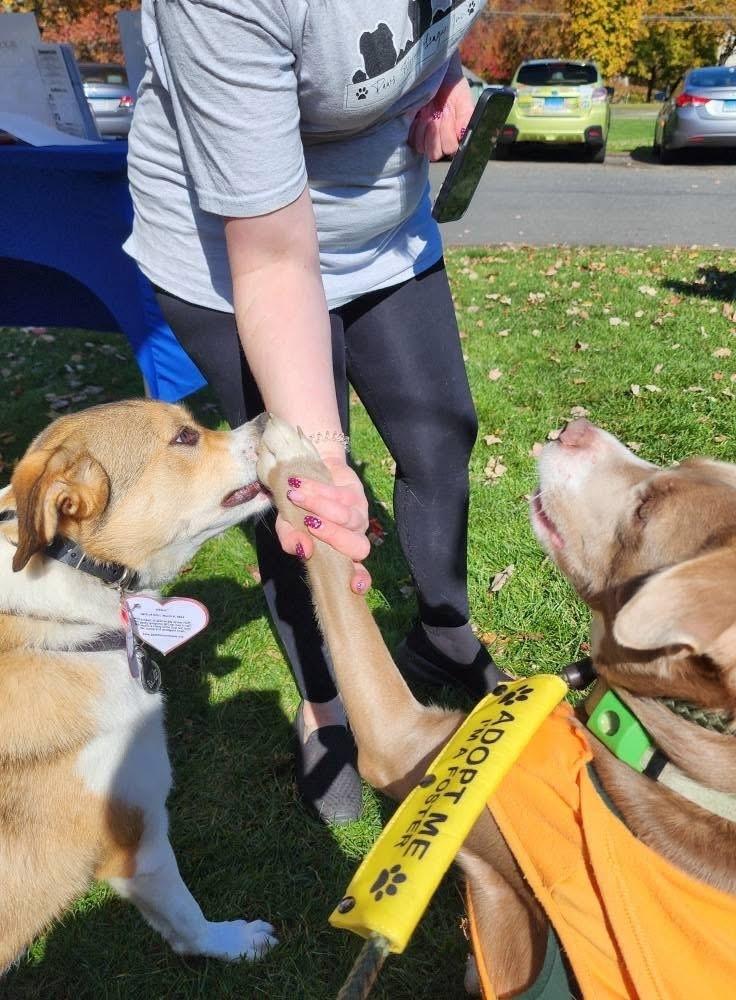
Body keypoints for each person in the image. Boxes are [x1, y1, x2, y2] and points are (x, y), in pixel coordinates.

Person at [125, 0, 505, 825]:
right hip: (240, 259)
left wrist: (443, 78)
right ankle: (326, 706)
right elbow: (274, 261)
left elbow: (414, 40)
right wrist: (320, 460)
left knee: (440, 435)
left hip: (384, 230)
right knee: (298, 500)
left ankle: (443, 633)